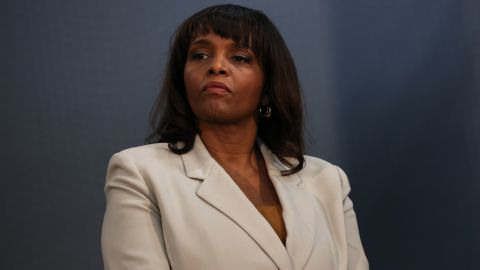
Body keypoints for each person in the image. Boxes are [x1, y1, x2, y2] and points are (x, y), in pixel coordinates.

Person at [101, 4, 368, 270]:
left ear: (267, 87)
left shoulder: (327, 181)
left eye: (240, 57)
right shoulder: (140, 173)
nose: (216, 66)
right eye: (200, 55)